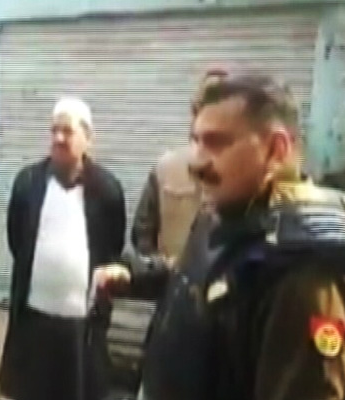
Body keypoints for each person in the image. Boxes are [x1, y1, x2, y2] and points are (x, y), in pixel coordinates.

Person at [137, 73, 345, 400]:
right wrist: (139, 276)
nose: (195, 163)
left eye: (216, 143)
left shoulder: (301, 268)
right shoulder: (223, 214)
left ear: (276, 150)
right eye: (195, 141)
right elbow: (206, 282)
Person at [0, 97, 129, 400]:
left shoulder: (107, 190)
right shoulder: (28, 183)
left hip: (82, 329)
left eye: (67, 131)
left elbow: (111, 247)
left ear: (88, 138)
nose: (58, 138)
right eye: (54, 130)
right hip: (34, 322)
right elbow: (17, 241)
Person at [132, 68, 228, 260]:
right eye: (202, 108)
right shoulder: (166, 168)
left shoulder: (247, 172)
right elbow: (142, 232)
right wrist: (160, 268)